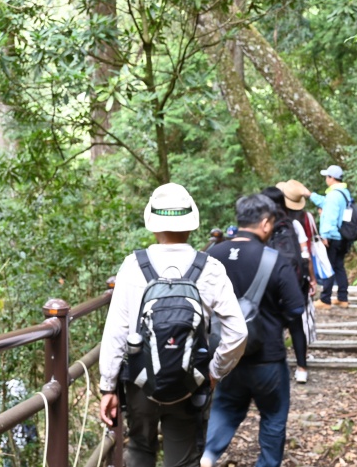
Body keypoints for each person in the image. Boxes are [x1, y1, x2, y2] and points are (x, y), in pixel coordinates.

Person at [98, 183, 248, 467]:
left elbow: (116, 331)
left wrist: (108, 387)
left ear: (152, 223)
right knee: (183, 458)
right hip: (189, 381)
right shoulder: (209, 267)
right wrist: (214, 372)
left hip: (140, 382)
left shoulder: (133, 265)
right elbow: (238, 332)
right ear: (191, 222)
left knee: (141, 449)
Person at [201, 194, 306, 467]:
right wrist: (274, 320)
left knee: (225, 407)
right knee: (273, 416)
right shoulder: (275, 259)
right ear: (265, 223)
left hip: (225, 355)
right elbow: (296, 308)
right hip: (267, 356)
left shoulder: (212, 256)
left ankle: (207, 456)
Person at [262, 182, 318, 383]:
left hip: (267, 282)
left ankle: (274, 368)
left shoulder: (261, 225)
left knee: (270, 323)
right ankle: (302, 368)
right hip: (292, 281)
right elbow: (305, 254)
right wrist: (311, 278)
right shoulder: (293, 224)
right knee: (296, 325)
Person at [302, 164, 353, 309]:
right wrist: (310, 194)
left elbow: (330, 217)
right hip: (343, 236)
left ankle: (325, 299)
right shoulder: (343, 193)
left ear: (331, 178)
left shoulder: (333, 195)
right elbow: (325, 203)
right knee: (339, 267)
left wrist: (325, 236)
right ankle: (343, 298)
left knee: (327, 266)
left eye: (327, 176)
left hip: (332, 237)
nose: (326, 179)